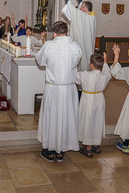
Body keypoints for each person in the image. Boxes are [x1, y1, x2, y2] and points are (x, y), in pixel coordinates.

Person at [35, 21, 82, 163]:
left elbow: (40, 61)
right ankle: (61, 150)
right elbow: (75, 62)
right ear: (66, 32)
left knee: (52, 118)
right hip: (69, 89)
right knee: (66, 118)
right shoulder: (75, 46)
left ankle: (49, 150)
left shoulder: (49, 45)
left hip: (54, 88)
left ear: (54, 33)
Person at [76, 52, 111, 157]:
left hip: (88, 99)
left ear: (91, 64)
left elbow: (74, 77)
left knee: (88, 121)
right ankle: (96, 145)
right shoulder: (105, 76)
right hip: (99, 99)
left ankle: (88, 148)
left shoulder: (85, 75)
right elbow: (108, 72)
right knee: (98, 121)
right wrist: (105, 61)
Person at [61, 0, 96, 72]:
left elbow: (73, 10)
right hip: (87, 45)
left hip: (82, 44)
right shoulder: (92, 17)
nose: (79, 9)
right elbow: (79, 10)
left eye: (81, 7)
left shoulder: (84, 16)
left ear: (85, 8)